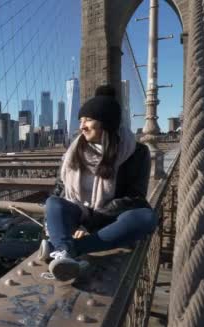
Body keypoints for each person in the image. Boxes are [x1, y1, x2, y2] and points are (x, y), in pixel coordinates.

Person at [39, 85, 157, 281]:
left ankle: (64, 249)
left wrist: (92, 222)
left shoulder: (137, 152)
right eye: (80, 121)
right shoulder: (73, 151)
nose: (82, 126)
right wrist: (52, 223)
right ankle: (64, 248)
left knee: (146, 217)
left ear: (107, 124)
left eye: (88, 120)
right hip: (78, 213)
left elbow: (134, 197)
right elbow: (60, 190)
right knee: (53, 203)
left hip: (110, 219)